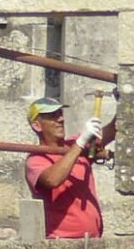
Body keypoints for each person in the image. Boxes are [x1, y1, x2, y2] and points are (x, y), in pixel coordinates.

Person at [25, 95, 116, 240]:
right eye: (52, 116)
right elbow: (52, 180)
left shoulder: (73, 146)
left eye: (60, 114)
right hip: (61, 243)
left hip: (92, 240)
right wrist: (80, 143)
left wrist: (122, 101)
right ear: (37, 125)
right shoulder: (36, 159)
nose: (61, 119)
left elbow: (112, 130)